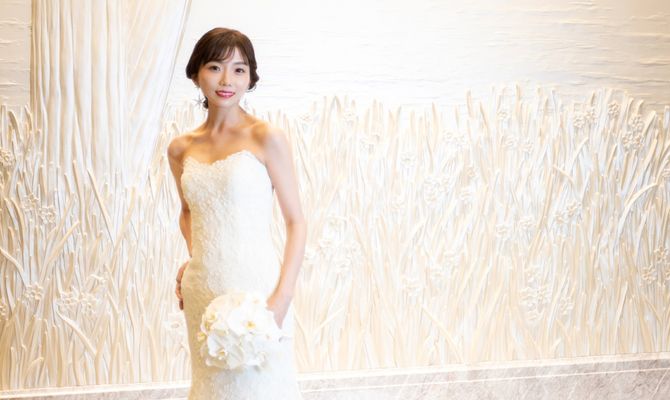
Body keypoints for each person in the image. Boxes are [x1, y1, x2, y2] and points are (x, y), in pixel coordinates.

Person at [167, 27, 306, 399]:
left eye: (239, 69)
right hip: (203, 291)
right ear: (196, 73)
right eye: (215, 67)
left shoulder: (266, 137)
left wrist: (282, 299)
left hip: (258, 290)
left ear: (250, 78)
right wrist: (196, 259)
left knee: (262, 387)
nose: (226, 80)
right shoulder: (180, 148)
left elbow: (296, 222)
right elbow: (188, 211)